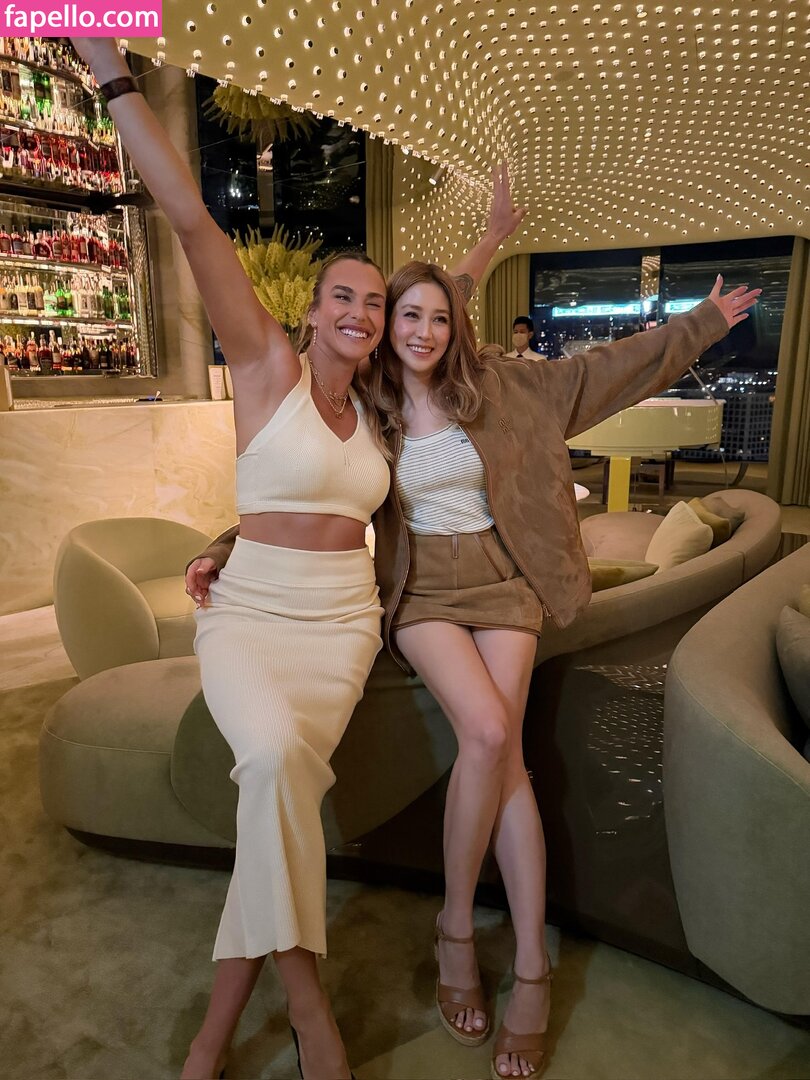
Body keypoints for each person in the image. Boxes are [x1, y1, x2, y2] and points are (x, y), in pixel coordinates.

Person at [72, 38, 527, 1080]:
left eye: (376, 304)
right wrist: (112, 74)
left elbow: (444, 303)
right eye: (346, 298)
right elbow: (191, 220)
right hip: (250, 619)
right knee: (275, 765)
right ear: (313, 310)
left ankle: (212, 1035)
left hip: (340, 627)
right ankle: (309, 1007)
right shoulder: (264, 366)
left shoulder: (381, 405)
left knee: (271, 802)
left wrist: (491, 240)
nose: (364, 314)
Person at [195, 265, 758, 1079]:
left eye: (438, 318)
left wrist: (701, 322)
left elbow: (612, 369)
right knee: (489, 731)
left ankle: (530, 965)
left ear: (455, 326)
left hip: (506, 582)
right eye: (407, 315)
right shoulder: (369, 402)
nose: (422, 331)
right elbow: (300, 487)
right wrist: (223, 547)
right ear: (385, 327)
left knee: (507, 759)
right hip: (422, 588)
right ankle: (456, 928)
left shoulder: (507, 388)